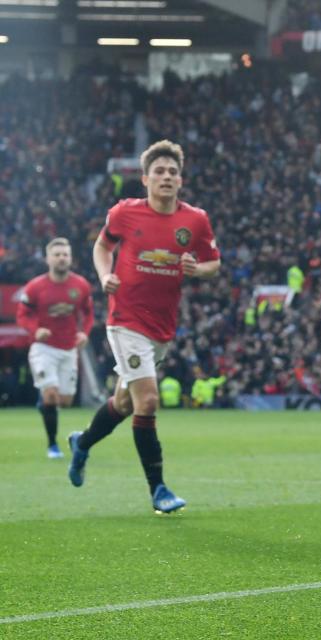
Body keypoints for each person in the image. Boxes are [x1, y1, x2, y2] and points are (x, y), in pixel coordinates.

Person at [67, 140, 221, 514]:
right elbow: (102, 248)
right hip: (125, 320)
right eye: (160, 172)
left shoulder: (195, 220)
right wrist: (105, 276)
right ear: (146, 178)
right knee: (148, 400)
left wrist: (196, 269)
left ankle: (83, 442)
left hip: (161, 327)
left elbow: (213, 262)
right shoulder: (125, 213)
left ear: (180, 180)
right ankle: (159, 490)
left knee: (124, 403)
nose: (166, 177)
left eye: (172, 172)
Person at [16, 238, 93, 458]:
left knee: (65, 401)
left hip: (68, 348)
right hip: (43, 348)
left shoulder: (81, 286)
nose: (61, 258)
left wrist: (84, 333)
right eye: (57, 254)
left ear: (70, 258)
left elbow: (88, 313)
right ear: (48, 258)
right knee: (51, 395)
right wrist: (34, 330)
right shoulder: (35, 287)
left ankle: (44, 400)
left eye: (65, 255)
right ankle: (52, 445)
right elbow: (22, 314)